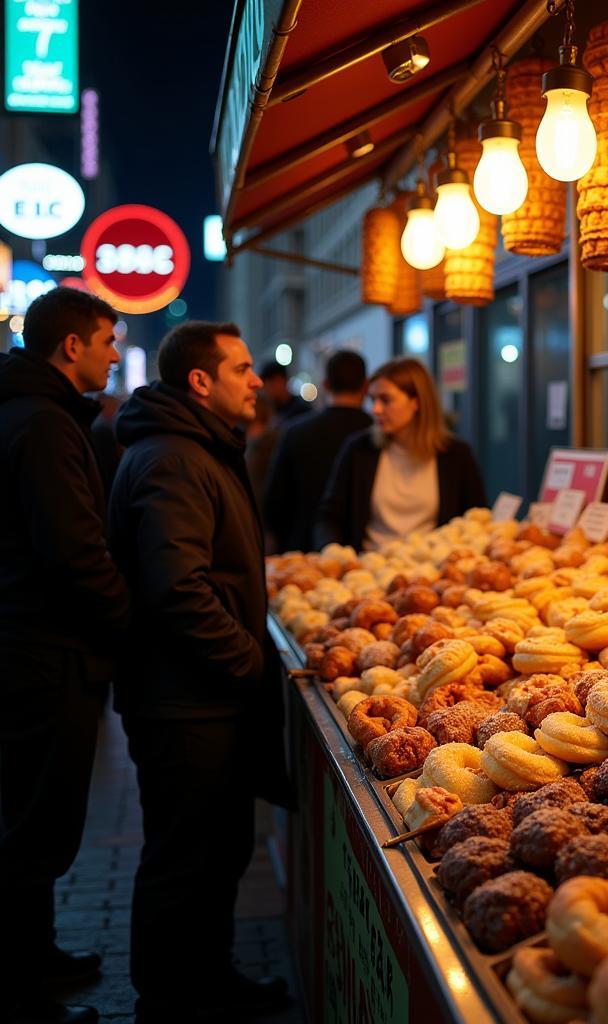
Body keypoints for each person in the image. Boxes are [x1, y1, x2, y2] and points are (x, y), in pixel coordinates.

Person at [108, 322, 290, 1023]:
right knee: (184, 856)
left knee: (217, 851)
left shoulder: (195, 448)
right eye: (242, 369)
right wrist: (247, 659)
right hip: (184, 703)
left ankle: (209, 978)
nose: (256, 380)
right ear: (200, 382)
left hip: (201, 698)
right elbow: (176, 585)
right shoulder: (174, 460)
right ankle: (170, 999)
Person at [0, 287, 131, 1024]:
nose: (116, 354)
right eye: (109, 340)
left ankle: (37, 958)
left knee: (31, 818)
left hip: (32, 647)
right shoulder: (44, 425)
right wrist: (124, 621)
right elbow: (74, 552)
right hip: (45, 657)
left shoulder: (32, 412)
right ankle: (24, 994)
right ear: (71, 346)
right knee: (35, 829)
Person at [314, 357, 486, 550]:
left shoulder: (456, 454)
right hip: (370, 569)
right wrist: (332, 550)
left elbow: (476, 520)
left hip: (433, 572)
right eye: (372, 400)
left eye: (385, 400)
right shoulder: (359, 449)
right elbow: (329, 517)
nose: (375, 409)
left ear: (417, 402)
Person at [263, 349, 371, 553]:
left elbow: (274, 502)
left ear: (326, 384)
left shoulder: (295, 431)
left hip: (303, 549)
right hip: (366, 557)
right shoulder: (375, 434)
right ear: (366, 386)